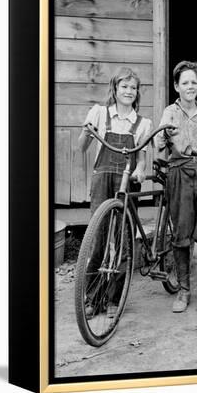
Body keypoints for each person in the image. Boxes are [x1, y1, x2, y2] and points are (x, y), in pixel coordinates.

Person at [77, 67, 152, 317]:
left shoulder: (142, 123)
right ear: (115, 89)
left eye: (133, 88)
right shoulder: (99, 114)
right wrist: (86, 133)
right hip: (102, 180)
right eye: (124, 87)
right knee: (97, 238)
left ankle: (114, 300)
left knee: (123, 240)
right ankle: (92, 298)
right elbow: (82, 147)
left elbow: (141, 158)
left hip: (126, 182)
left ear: (137, 92)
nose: (129, 91)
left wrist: (140, 170)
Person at [156, 60, 197, 314]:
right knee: (181, 234)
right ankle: (184, 290)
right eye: (185, 82)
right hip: (179, 173)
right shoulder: (169, 113)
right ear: (176, 86)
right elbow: (160, 145)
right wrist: (164, 135)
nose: (190, 86)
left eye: (194, 82)